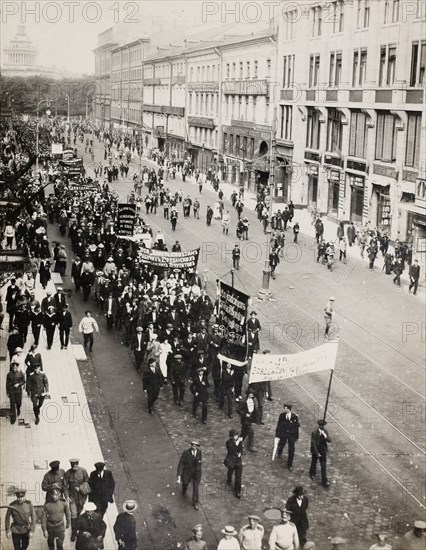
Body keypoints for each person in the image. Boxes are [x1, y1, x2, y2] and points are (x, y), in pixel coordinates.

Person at [64, 458, 90, 541]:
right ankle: (74, 533)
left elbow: (87, 481)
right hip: (72, 497)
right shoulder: (68, 473)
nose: (74, 467)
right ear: (71, 466)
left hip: (82, 497)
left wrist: (81, 488)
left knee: (78, 513)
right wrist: (67, 496)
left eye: (76, 466)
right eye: (73, 466)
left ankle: (78, 526)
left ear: (78, 464)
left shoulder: (83, 471)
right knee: (74, 515)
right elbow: (65, 486)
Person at [177, 441, 202, 510]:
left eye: (195, 446)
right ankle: (184, 488)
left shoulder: (199, 452)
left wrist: (198, 471)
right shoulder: (186, 453)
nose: (194, 447)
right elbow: (181, 463)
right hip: (187, 472)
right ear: (191, 446)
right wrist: (179, 475)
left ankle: (195, 502)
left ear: (197, 446)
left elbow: (199, 462)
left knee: (196, 488)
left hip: (196, 474)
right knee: (185, 483)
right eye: (192, 445)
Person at [274, 404, 300, 471]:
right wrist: (277, 435)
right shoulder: (282, 416)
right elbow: (279, 425)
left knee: (291, 450)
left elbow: (296, 427)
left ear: (288, 409)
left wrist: (296, 437)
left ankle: (290, 464)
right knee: (281, 444)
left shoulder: (294, 417)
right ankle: (280, 452)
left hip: (291, 435)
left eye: (284, 408)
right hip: (283, 433)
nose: (283, 409)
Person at [309, 419, 331, 488]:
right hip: (316, 450)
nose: (322, 427)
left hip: (323, 451)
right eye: (320, 426)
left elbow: (329, 440)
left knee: (323, 466)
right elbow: (313, 443)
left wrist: (325, 436)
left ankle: (325, 481)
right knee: (314, 463)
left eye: (323, 426)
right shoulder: (314, 432)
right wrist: (316, 452)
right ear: (319, 425)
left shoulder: (325, 432)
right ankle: (312, 474)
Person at [237, 389, 259, 453]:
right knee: (251, 432)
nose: (252, 395)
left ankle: (237, 444)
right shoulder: (244, 402)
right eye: (250, 393)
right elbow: (238, 409)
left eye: (252, 394)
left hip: (250, 420)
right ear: (248, 394)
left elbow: (254, 409)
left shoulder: (253, 401)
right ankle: (250, 447)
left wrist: (256, 418)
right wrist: (244, 414)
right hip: (245, 420)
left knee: (243, 433)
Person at [224, 429, 243, 499]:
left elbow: (240, 449)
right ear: (231, 436)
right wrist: (238, 442)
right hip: (231, 460)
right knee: (230, 471)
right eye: (235, 435)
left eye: (237, 435)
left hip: (238, 461)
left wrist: (240, 453)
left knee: (238, 477)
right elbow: (232, 450)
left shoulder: (239, 442)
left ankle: (237, 491)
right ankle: (229, 478)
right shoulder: (228, 442)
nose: (237, 436)